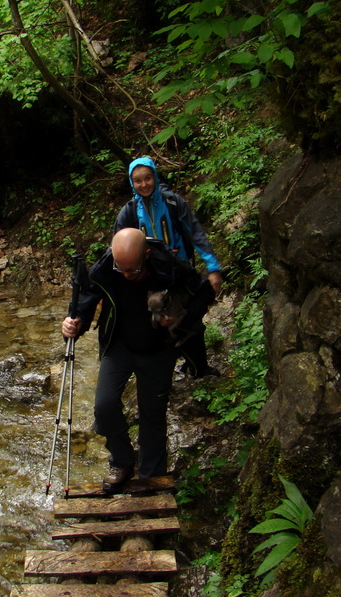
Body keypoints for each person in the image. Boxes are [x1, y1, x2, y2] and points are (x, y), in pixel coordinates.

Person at [61, 228, 215, 492]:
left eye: (133, 270)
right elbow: (85, 300)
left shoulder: (169, 266)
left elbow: (205, 293)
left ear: (146, 255)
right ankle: (122, 461)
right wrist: (74, 323)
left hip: (159, 349)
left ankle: (150, 476)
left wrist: (182, 319)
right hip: (118, 345)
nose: (127, 276)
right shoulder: (106, 267)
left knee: (152, 416)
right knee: (104, 407)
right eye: (121, 270)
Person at [115, 156, 222, 377]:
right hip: (147, 276)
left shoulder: (173, 203)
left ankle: (198, 366)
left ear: (155, 176)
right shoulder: (129, 212)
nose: (144, 184)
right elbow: (117, 247)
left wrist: (212, 267)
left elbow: (195, 233)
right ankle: (166, 368)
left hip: (180, 272)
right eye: (137, 180)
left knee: (189, 318)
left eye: (147, 178)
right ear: (131, 182)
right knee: (159, 321)